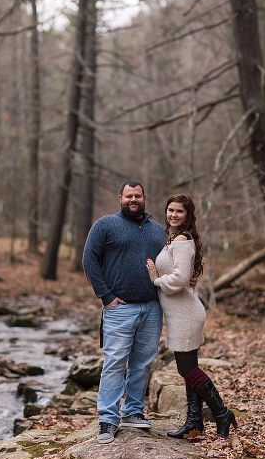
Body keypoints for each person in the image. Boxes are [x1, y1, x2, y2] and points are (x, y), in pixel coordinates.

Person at [145, 194, 237, 437]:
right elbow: (185, 277)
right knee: (190, 367)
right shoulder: (174, 239)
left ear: (188, 216)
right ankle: (194, 421)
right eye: (170, 210)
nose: (173, 215)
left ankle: (221, 413)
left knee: (187, 369)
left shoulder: (183, 240)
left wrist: (156, 279)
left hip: (186, 314)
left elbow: (179, 279)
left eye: (179, 212)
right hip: (180, 313)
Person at [83, 179, 165, 444]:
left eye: (138, 196)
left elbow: (172, 263)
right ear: (120, 198)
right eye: (128, 196)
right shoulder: (105, 225)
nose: (133, 200)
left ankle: (133, 411)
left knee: (142, 363)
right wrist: (106, 296)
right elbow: (89, 259)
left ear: (144, 197)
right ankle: (107, 419)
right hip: (120, 308)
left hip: (152, 307)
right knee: (115, 362)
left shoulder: (158, 231)